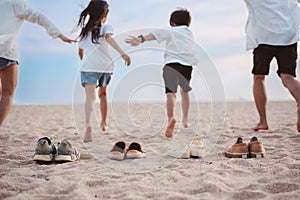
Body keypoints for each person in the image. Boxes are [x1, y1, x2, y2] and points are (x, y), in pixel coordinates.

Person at [126, 9, 199, 138]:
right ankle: (186, 120)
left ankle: (171, 118)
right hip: (187, 66)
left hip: (171, 64)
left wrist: (141, 39)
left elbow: (155, 34)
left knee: (171, 93)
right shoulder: (189, 33)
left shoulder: (170, 30)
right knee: (185, 91)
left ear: (172, 23)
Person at [0, 0, 74, 126]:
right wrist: (59, 34)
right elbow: (39, 17)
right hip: (6, 51)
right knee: (8, 92)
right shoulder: (18, 3)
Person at [77, 0, 131, 142]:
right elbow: (109, 38)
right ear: (105, 14)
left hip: (88, 66)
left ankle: (88, 126)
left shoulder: (84, 31)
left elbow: (80, 52)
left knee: (90, 98)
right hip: (105, 67)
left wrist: (85, 63)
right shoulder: (107, 27)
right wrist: (123, 53)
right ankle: (104, 122)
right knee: (103, 94)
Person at [243, 0, 300, 132]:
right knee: (287, 77)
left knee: (259, 77)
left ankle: (263, 121)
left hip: (264, 37)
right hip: (288, 36)